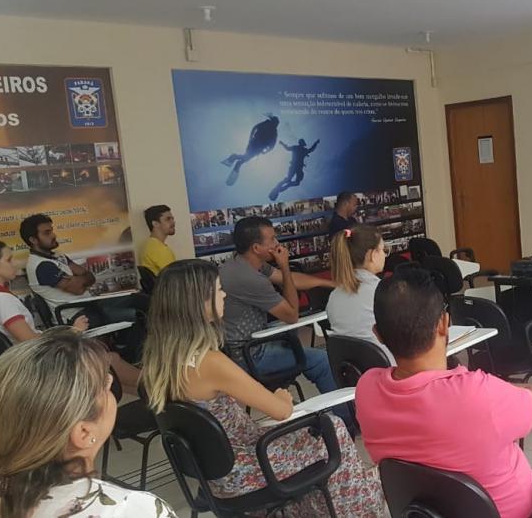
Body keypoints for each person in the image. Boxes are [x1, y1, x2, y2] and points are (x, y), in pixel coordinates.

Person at [355, 268, 532, 518]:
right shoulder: (478, 395)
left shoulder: (366, 390)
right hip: (523, 513)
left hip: (432, 511)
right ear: (444, 324)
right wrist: (504, 389)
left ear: (378, 334)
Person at [140, 259, 384, 516]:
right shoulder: (210, 362)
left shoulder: (158, 362)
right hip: (246, 467)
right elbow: (280, 411)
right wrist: (281, 396)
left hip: (214, 475)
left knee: (323, 433)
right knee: (332, 429)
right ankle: (359, 510)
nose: (224, 295)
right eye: (219, 289)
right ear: (199, 302)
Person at [0, 331, 176, 517]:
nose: (111, 380)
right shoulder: (132, 510)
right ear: (84, 433)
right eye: (104, 385)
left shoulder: (4, 491)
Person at [0, 241, 140, 392]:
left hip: (30, 360)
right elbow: (30, 343)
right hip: (38, 364)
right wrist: (72, 332)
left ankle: (150, 393)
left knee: (112, 372)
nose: (15, 263)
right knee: (111, 360)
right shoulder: (3, 301)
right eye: (8, 260)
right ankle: (154, 385)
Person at [219, 216, 336, 388]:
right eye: (272, 239)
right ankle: (343, 407)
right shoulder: (250, 278)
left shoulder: (241, 262)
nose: (277, 243)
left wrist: (330, 283)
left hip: (250, 343)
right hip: (251, 354)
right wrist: (285, 265)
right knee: (322, 361)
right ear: (256, 248)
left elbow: (286, 279)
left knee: (295, 344)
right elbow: (292, 315)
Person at [19, 214, 149, 359]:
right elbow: (77, 289)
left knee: (139, 299)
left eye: (52, 230)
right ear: (33, 240)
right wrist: (80, 280)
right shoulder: (41, 266)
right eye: (47, 233)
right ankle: (132, 358)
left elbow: (90, 276)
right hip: (76, 315)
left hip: (91, 305)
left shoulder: (58, 257)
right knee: (135, 315)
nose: (54, 235)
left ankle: (134, 352)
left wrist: (80, 280)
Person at [325, 225, 394, 363]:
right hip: (389, 369)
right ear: (372, 255)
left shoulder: (333, 298)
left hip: (354, 372)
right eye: (383, 249)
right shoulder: (382, 292)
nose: (384, 254)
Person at [220, 114, 280, 186]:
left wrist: (251, 138)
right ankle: (234, 157)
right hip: (256, 146)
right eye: (276, 124)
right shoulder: (272, 129)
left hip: (254, 144)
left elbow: (254, 128)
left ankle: (236, 161)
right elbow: (272, 146)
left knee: (245, 158)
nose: (275, 125)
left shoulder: (269, 127)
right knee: (245, 158)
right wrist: (265, 151)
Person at [139, 204, 177, 275]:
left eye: (172, 219)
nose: (173, 222)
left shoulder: (149, 245)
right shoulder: (158, 249)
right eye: (168, 219)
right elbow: (175, 277)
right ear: (155, 224)